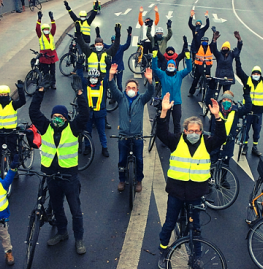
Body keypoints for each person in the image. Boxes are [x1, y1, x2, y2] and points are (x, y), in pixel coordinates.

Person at [156, 93, 226, 269]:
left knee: (196, 228)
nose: (194, 133)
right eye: (190, 130)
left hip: (196, 193)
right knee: (169, 224)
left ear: (201, 132)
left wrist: (217, 117)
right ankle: (164, 253)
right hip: (176, 192)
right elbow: (162, 133)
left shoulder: (207, 143)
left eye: (197, 131)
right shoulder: (176, 140)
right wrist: (163, 113)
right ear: (185, 131)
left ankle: (196, 257)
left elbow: (221, 138)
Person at [29, 84, 89, 254]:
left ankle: (79, 239)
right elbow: (33, 112)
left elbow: (85, 115)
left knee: (75, 210)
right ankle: (62, 232)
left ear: (66, 117)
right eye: (54, 116)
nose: (57, 119)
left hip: (69, 176)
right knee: (57, 207)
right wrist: (39, 92)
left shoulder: (73, 128)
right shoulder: (45, 126)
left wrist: (79, 94)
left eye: (60, 116)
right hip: (52, 176)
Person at [108, 63, 153, 192]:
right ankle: (122, 180)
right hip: (123, 136)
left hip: (137, 135)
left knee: (139, 159)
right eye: (129, 87)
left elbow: (150, 92)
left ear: (137, 90)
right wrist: (111, 75)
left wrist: (150, 80)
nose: (131, 89)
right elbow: (112, 87)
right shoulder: (121, 98)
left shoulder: (141, 99)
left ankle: (139, 180)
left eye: (133, 87)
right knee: (122, 159)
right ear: (125, 89)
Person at [151, 42, 193, 135]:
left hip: (177, 102)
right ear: (167, 66)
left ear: (175, 67)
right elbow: (154, 68)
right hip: (166, 102)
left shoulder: (179, 75)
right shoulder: (162, 74)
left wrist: (188, 58)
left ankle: (176, 139)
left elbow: (189, 69)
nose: (171, 67)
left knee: (177, 123)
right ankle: (165, 139)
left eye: (172, 66)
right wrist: (154, 57)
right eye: (169, 66)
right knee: (165, 122)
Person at [206, 91, 253, 166]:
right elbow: (207, 101)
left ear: (232, 101)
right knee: (212, 161)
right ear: (222, 100)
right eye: (224, 99)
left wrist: (247, 94)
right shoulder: (215, 108)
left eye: (228, 100)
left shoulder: (237, 111)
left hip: (228, 142)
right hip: (215, 140)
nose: (226, 102)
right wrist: (211, 87)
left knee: (225, 163)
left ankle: (223, 177)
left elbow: (248, 107)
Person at [74, 68, 110, 157]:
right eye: (91, 77)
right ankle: (87, 147)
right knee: (87, 132)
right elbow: (80, 76)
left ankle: (104, 148)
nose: (93, 79)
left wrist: (108, 66)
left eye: (95, 77)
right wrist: (79, 65)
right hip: (88, 114)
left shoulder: (102, 85)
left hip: (100, 114)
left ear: (98, 78)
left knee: (101, 132)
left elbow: (108, 78)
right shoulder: (86, 86)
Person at [207, 30, 242, 101]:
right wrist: (214, 40)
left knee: (226, 96)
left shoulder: (231, 55)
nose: (225, 49)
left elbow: (238, 50)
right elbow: (214, 49)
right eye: (223, 48)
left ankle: (224, 109)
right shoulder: (219, 55)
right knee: (215, 95)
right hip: (219, 77)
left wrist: (239, 40)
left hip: (228, 78)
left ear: (229, 49)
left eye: (226, 48)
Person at [103, 26, 133, 92]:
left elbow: (127, 44)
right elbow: (102, 44)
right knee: (111, 84)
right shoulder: (109, 48)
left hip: (119, 69)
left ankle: (120, 97)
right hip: (112, 69)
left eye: (115, 41)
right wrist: (98, 35)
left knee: (119, 85)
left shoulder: (121, 48)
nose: (114, 42)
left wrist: (129, 35)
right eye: (113, 41)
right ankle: (113, 98)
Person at [36, 11, 58, 89]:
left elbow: (54, 27)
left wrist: (52, 19)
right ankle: (46, 82)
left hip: (52, 54)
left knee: (53, 71)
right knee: (45, 71)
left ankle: (53, 83)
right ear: (43, 30)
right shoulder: (40, 35)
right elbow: (37, 28)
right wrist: (39, 19)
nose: (46, 30)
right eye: (45, 29)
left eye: (47, 29)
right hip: (44, 55)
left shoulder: (51, 34)